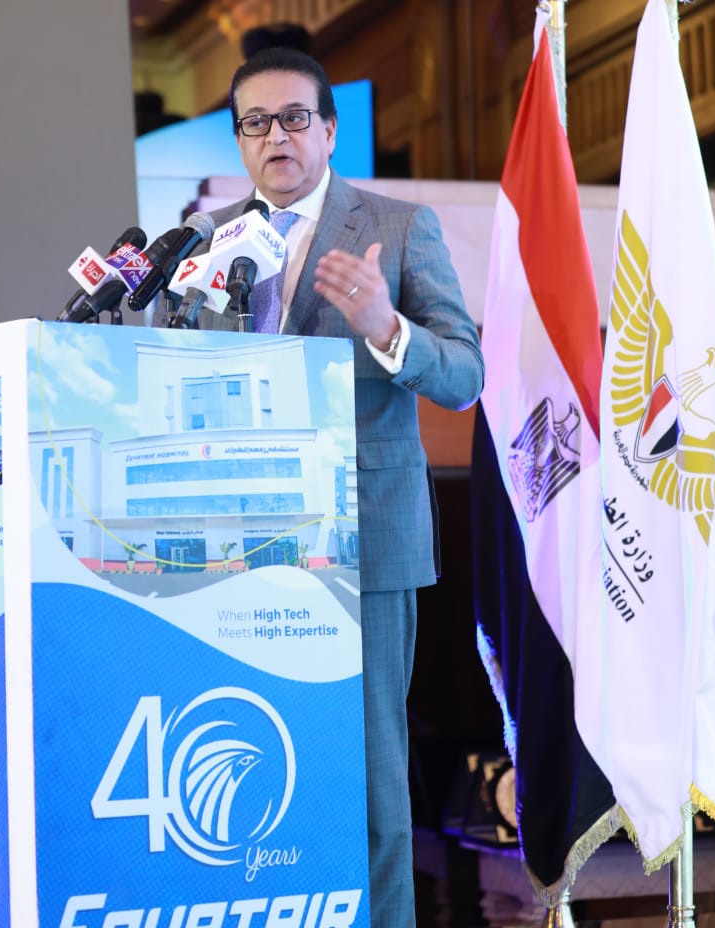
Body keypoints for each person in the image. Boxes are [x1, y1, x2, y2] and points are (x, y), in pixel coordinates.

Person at [198, 46, 484, 927]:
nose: (275, 137)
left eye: (294, 118)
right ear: (240, 140)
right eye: (255, 122)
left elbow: (463, 375)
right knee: (257, 752)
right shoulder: (211, 243)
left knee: (366, 773)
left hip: (365, 537)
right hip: (240, 545)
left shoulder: (396, 227)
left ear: (327, 130)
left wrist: (385, 326)